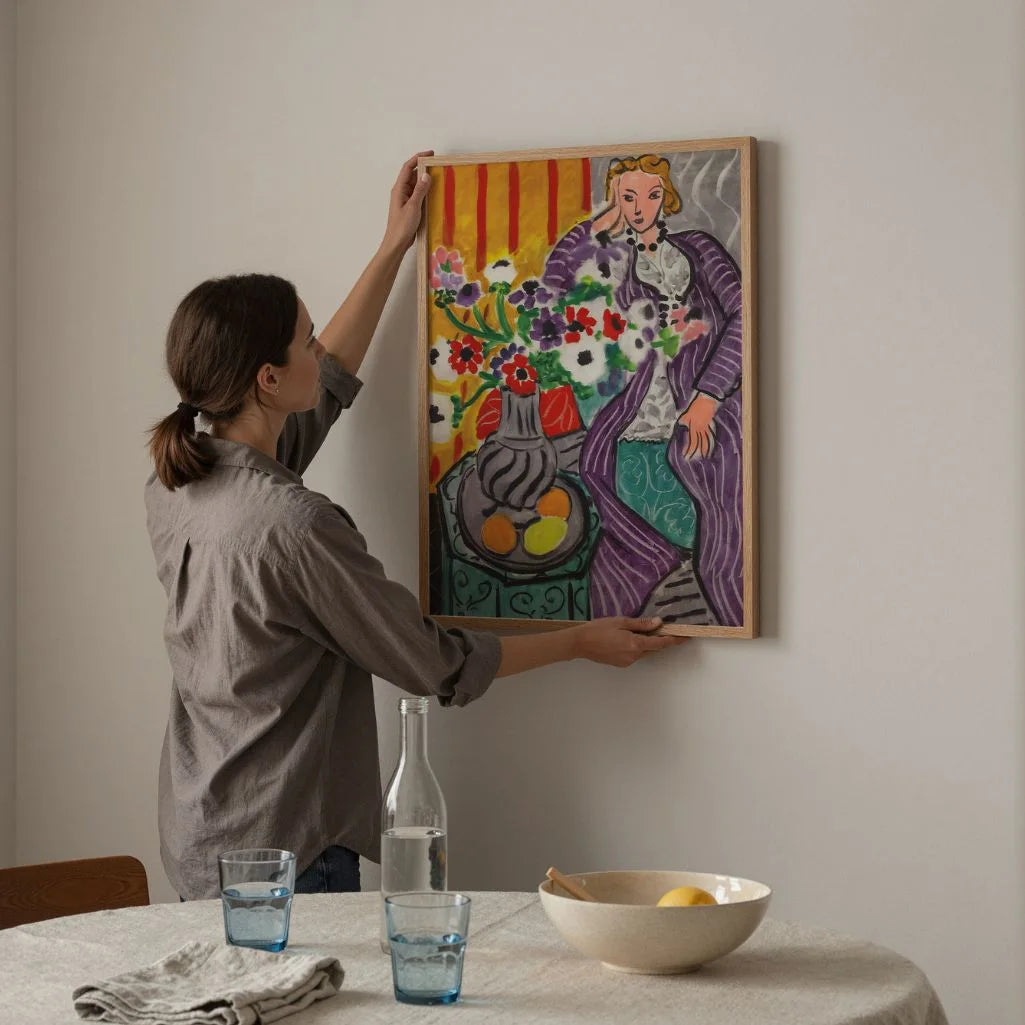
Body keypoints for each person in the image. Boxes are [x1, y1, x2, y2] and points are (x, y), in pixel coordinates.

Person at [145, 152, 687, 900]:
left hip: (203, 833)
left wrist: (394, 246)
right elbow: (433, 665)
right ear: (266, 380)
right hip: (287, 849)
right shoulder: (293, 525)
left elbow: (328, 381)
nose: (318, 349)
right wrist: (577, 642)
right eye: (304, 339)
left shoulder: (179, 482)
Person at [542, 154, 744, 627]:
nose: (639, 207)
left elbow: (745, 315)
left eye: (651, 195)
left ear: (665, 198)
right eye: (627, 196)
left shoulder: (700, 248)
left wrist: (709, 396)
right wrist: (599, 224)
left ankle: (724, 591)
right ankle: (656, 570)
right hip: (642, 403)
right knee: (603, 468)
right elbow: (551, 287)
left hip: (712, 397)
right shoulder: (615, 263)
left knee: (722, 490)